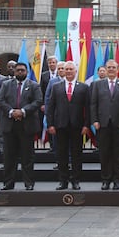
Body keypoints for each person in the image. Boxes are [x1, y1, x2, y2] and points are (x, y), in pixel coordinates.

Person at [0, 62, 42, 191]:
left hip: (26, 125)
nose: (20, 72)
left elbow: (38, 101)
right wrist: (12, 112)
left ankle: (28, 183)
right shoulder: (6, 85)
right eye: (18, 70)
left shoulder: (34, 85)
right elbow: (0, 100)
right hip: (9, 125)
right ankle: (8, 183)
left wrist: (22, 111)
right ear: (14, 72)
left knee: (27, 156)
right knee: (9, 156)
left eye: (22, 70)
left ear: (27, 72)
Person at [47, 61, 90, 191]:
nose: (69, 71)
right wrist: (50, 124)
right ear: (63, 71)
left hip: (77, 126)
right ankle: (63, 181)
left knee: (77, 154)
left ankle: (76, 180)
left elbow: (87, 108)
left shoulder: (83, 87)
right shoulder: (56, 87)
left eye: (71, 69)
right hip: (60, 125)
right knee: (61, 154)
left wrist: (86, 125)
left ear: (75, 71)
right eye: (67, 69)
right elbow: (51, 107)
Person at [91, 59, 119, 190]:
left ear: (118, 69)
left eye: (113, 67)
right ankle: (105, 180)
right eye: (109, 68)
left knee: (118, 154)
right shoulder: (98, 85)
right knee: (104, 153)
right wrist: (95, 120)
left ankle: (117, 180)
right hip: (103, 124)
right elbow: (93, 104)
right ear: (105, 69)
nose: (111, 70)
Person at [40, 55, 58, 152]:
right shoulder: (44, 75)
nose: (51, 64)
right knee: (49, 125)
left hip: (59, 106)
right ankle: (51, 145)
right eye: (50, 62)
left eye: (53, 62)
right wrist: (43, 104)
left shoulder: (61, 75)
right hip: (48, 105)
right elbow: (42, 91)